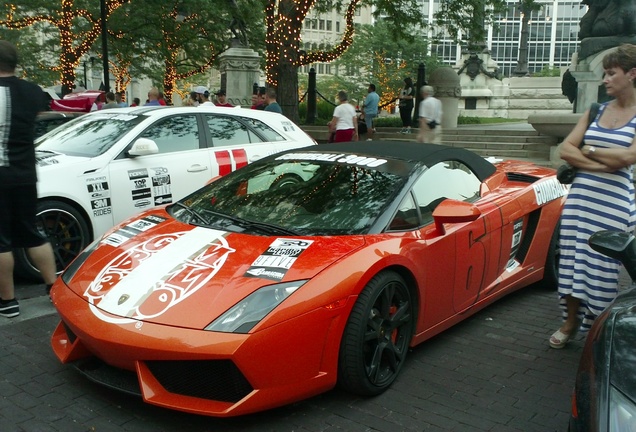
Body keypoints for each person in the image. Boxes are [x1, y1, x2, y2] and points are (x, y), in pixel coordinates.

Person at [549, 43, 636, 349]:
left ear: (632, 74)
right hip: (581, 200)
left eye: (611, 73)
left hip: (613, 205)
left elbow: (629, 157)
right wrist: (601, 160)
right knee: (572, 262)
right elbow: (566, 149)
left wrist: (589, 151)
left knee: (601, 268)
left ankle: (600, 330)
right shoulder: (595, 109)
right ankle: (570, 322)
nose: (605, 79)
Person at [0, 41, 57, 318]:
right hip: (25, 174)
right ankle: (52, 287)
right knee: (32, 233)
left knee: (1, 241)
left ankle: (8, 301)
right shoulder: (33, 91)